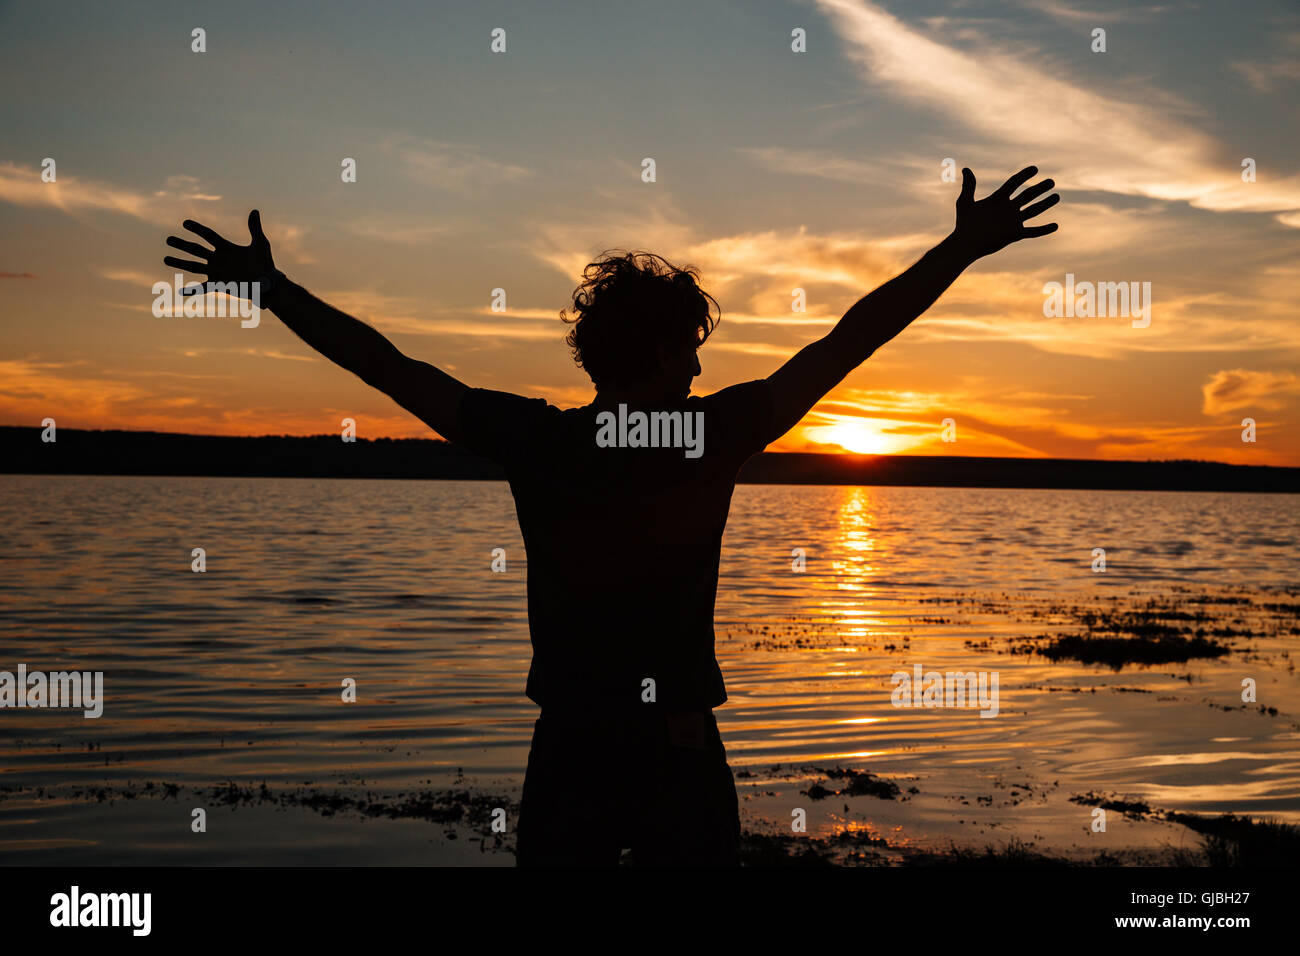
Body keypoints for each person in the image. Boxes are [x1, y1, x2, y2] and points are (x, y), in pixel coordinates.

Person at [163, 165, 1059, 866]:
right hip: (673, 748)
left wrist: (274, 293)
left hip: (571, 748)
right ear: (666, 353)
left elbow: (388, 366)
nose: (702, 373)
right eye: (693, 354)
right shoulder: (712, 433)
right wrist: (959, 251)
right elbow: (850, 341)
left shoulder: (539, 440)